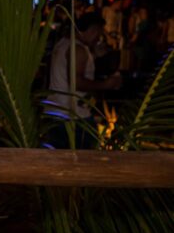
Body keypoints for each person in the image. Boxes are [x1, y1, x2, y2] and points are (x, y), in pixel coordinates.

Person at [47, 11, 122, 147]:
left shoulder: (63, 43)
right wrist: (107, 84)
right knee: (88, 153)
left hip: (56, 111)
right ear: (93, 30)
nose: (98, 40)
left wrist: (94, 55)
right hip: (73, 115)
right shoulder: (78, 49)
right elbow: (77, 82)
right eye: (98, 35)